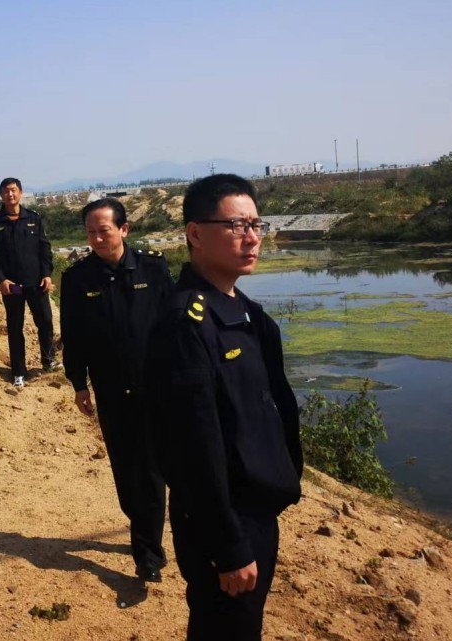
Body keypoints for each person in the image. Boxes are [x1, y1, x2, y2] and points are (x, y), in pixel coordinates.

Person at [145, 174, 303, 640]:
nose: (251, 238)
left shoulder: (246, 312)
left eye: (256, 224)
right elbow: (192, 448)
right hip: (223, 520)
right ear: (195, 234)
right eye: (236, 226)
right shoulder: (186, 323)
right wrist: (228, 544)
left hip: (254, 510)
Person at [60, 197, 173, 582]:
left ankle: (148, 555)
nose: (96, 238)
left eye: (103, 231)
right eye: (90, 232)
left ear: (123, 229)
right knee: (126, 470)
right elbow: (73, 336)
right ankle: (143, 529)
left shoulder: (153, 267)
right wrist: (79, 384)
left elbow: (174, 325)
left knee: (152, 469)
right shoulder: (78, 278)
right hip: (110, 388)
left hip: (155, 386)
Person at [0, 177, 58, 387]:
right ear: (1, 195)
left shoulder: (33, 219)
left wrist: (47, 274)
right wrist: (0, 279)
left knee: (45, 322)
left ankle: (49, 361)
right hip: (12, 286)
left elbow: (45, 249)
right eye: (6, 191)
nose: (10, 194)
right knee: (15, 327)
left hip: (36, 282)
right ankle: (18, 371)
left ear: (21, 192)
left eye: (14, 190)